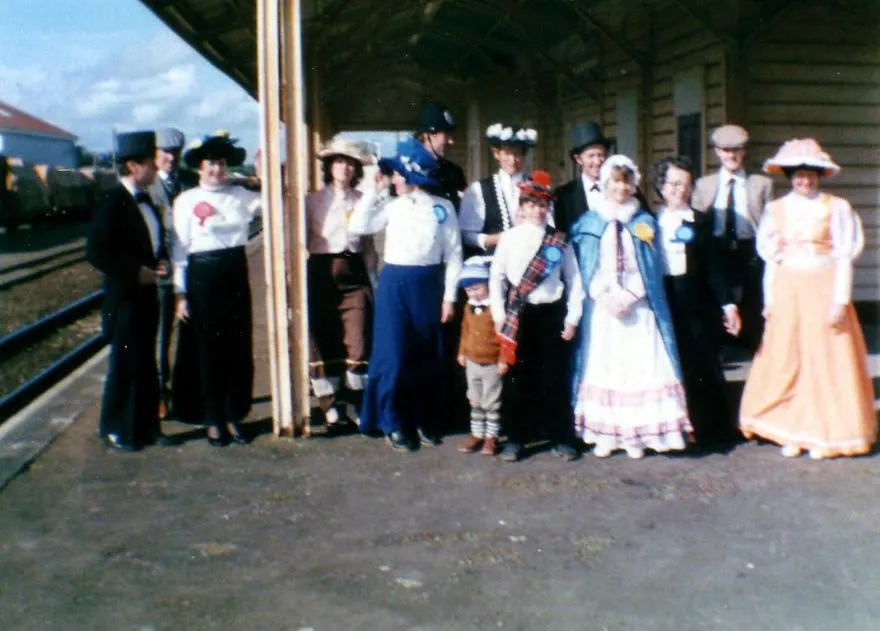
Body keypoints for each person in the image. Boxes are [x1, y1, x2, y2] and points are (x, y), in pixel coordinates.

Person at [740, 138, 876, 459]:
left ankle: (823, 433)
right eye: (799, 175)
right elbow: (772, 261)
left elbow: (843, 256)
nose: (805, 181)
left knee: (825, 359)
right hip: (789, 289)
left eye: (811, 175)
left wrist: (840, 300)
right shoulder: (777, 210)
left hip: (824, 287)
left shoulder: (837, 208)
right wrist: (769, 301)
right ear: (790, 177)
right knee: (791, 357)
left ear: (820, 176)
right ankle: (793, 430)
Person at [570, 155, 692, 459]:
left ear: (633, 185)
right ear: (605, 184)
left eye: (626, 182)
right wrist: (606, 296)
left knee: (640, 367)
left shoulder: (644, 221)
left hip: (637, 308)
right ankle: (607, 436)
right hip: (604, 307)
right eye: (615, 182)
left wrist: (631, 295)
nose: (620, 189)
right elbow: (585, 267)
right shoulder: (590, 221)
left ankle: (639, 437)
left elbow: (650, 268)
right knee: (608, 368)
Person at [348, 137, 463, 451]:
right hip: (395, 284)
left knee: (427, 354)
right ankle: (393, 421)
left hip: (429, 285)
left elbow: (453, 255)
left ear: (413, 177)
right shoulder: (391, 206)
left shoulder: (443, 208)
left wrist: (449, 296)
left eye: (398, 174)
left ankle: (425, 420)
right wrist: (373, 190)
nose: (394, 179)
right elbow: (358, 225)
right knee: (394, 355)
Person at [171, 131, 260, 447]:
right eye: (211, 164)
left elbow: (275, 205)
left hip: (234, 271)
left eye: (221, 164)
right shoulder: (185, 201)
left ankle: (234, 415)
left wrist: (265, 174)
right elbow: (179, 250)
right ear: (199, 167)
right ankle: (212, 419)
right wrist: (180, 294)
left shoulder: (242, 195)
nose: (217, 170)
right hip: (202, 276)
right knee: (208, 349)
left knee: (237, 346)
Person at [87, 131, 173, 451]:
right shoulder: (112, 201)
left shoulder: (146, 199)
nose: (155, 168)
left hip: (146, 296)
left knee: (146, 363)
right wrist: (137, 272)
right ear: (134, 165)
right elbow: (96, 250)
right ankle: (115, 428)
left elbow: (152, 244)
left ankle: (149, 427)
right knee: (124, 364)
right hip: (124, 298)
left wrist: (159, 261)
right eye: (151, 163)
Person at [489, 171, 583, 463]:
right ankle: (516, 439)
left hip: (552, 313)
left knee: (555, 377)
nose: (538, 210)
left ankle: (560, 437)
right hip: (521, 314)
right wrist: (499, 315)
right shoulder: (510, 238)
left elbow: (574, 278)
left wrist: (572, 318)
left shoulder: (558, 240)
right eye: (532, 205)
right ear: (522, 207)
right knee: (518, 378)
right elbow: (497, 278)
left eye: (543, 205)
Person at [650, 155, 742, 451]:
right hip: (663, 300)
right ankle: (671, 430)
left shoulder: (701, 221)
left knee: (702, 362)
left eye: (686, 184)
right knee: (667, 366)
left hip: (696, 301)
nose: (680, 189)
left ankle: (712, 430)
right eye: (674, 183)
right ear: (661, 186)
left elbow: (715, 269)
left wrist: (728, 304)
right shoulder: (650, 222)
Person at [306, 138, 377, 431]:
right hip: (321, 272)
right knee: (325, 339)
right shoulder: (312, 200)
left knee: (357, 340)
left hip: (355, 274)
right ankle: (330, 407)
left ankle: (355, 403)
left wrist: (373, 278)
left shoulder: (363, 200)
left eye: (350, 163)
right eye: (338, 161)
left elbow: (370, 245)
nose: (344, 167)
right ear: (329, 166)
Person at [691, 124, 774, 352]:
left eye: (736, 150)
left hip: (750, 250)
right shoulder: (704, 185)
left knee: (753, 303)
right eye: (726, 150)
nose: (731, 156)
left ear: (744, 151)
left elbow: (770, 223)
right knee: (717, 300)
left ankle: (755, 352)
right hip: (717, 249)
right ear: (717, 152)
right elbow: (696, 222)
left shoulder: (761, 184)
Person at [148, 127, 198, 422]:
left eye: (175, 153)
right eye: (165, 153)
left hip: (193, 270)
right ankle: (160, 394)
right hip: (162, 275)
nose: (170, 158)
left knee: (191, 337)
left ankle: (186, 393)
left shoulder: (190, 183)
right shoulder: (148, 187)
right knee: (161, 337)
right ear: (155, 155)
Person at [459, 122, 537, 257]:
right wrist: (495, 239)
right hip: (492, 259)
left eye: (517, 153)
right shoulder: (479, 190)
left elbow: (549, 228)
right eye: (507, 153)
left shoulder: (537, 189)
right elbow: (467, 235)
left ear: (524, 155)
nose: (512, 160)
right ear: (496, 154)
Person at [456, 256, 505, 456]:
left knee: (491, 401)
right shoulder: (468, 307)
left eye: (478, 288)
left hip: (492, 362)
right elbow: (465, 330)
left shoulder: (496, 308)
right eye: (469, 290)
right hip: (473, 361)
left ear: (488, 285)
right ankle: (477, 433)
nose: (474, 294)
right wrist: (462, 351)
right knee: (475, 399)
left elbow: (504, 337)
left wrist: (503, 359)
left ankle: (491, 437)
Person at [553, 122, 611, 235]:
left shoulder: (621, 188)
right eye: (591, 156)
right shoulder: (564, 195)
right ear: (578, 159)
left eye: (601, 155)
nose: (597, 161)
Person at [415, 102, 467, 210]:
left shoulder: (454, 172)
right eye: (446, 135)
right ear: (429, 135)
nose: (451, 141)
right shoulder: (406, 171)